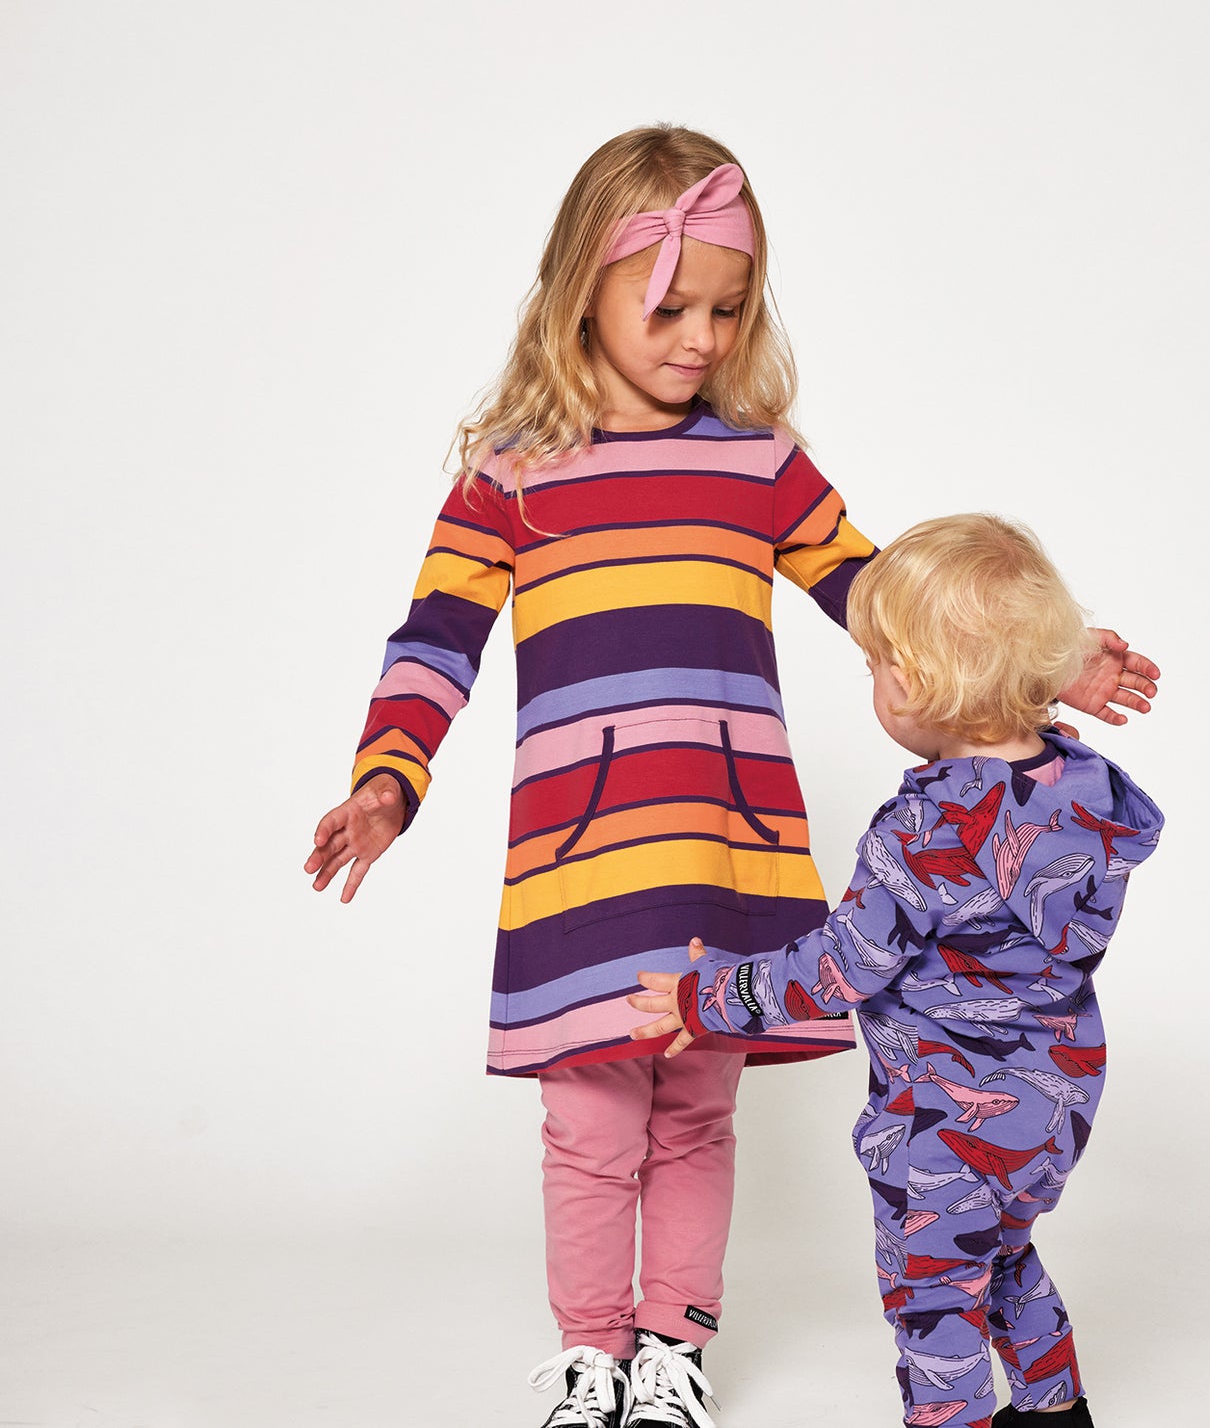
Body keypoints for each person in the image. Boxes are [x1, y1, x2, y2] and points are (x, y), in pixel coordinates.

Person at [303, 126, 1159, 1428]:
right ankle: (591, 1354)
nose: (699, 338)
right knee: (589, 1123)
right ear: (578, 291)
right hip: (580, 861)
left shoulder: (758, 461)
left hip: (723, 848)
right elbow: (436, 638)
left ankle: (673, 1349)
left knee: (696, 1112)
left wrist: (1038, 659)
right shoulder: (510, 475)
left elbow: (880, 597)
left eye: (726, 307)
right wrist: (388, 776)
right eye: (668, 309)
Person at [630, 514, 1164, 1427]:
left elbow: (838, 968)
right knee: (1002, 1254)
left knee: (932, 1293)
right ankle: (1054, 1409)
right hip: (1057, 1100)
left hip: (946, 1116)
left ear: (913, 680)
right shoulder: (1082, 789)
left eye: (876, 663)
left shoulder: (923, 831)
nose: (876, 679)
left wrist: (709, 994)